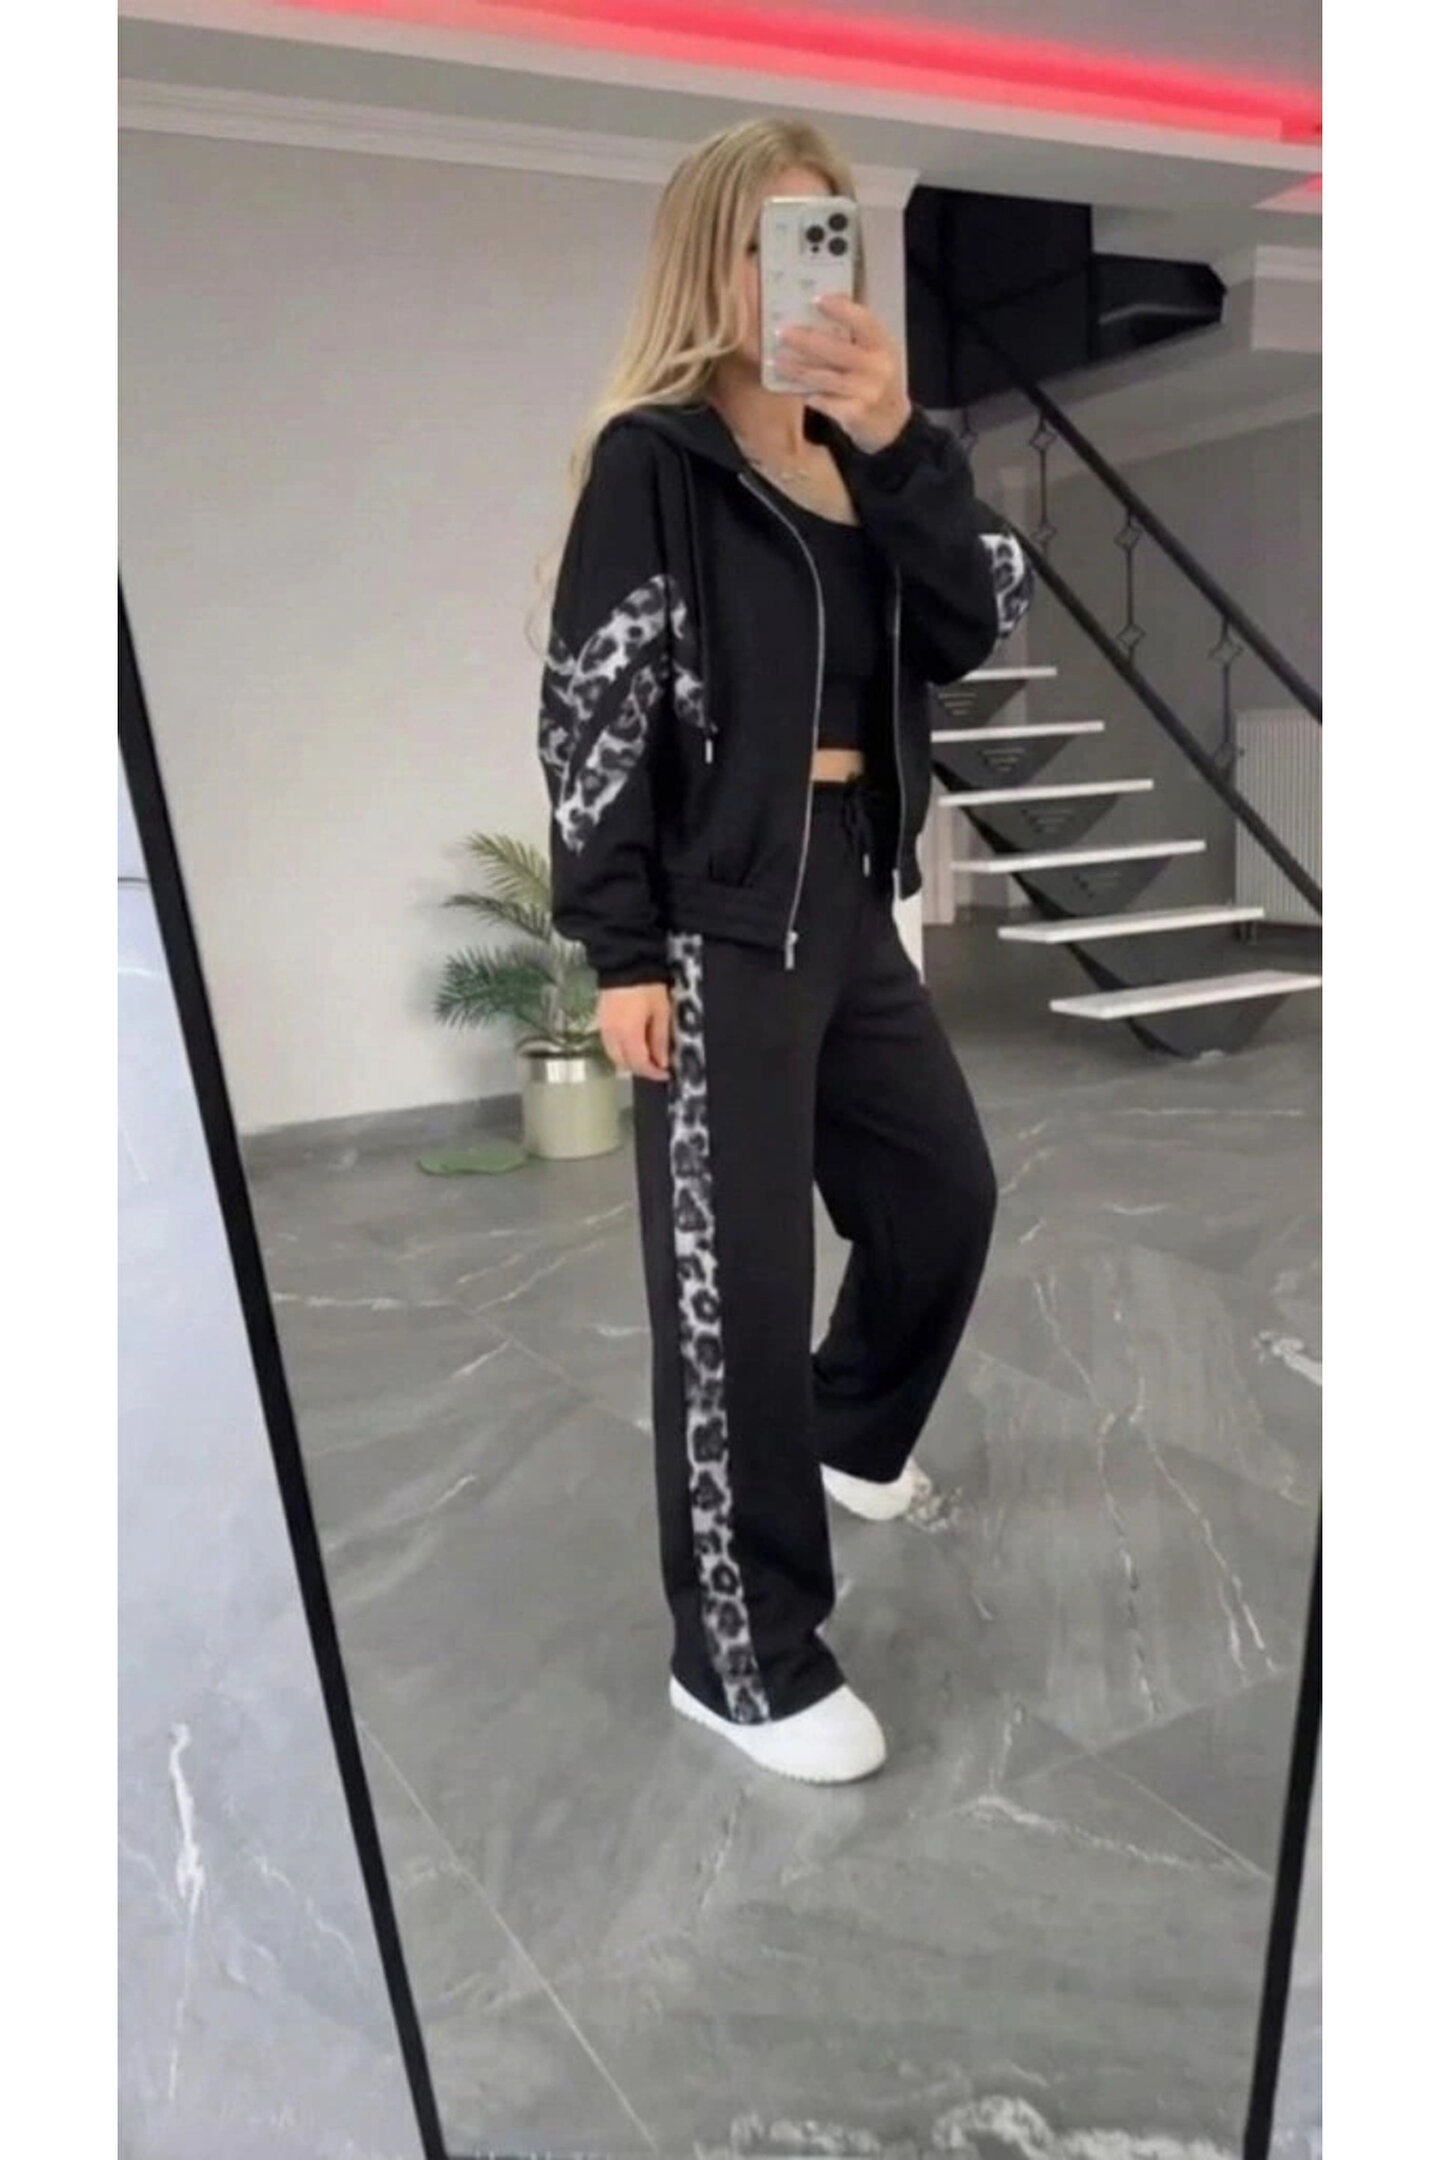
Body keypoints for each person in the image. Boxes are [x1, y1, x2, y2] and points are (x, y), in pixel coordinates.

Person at [536, 117, 1032, 1786]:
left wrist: (899, 443)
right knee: (730, 1295)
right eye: (765, 242)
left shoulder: (864, 458)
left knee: (941, 1195)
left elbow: (967, 625)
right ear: (711, 263)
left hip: (850, 888)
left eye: (823, 240)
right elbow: (592, 714)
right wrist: (618, 948)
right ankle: (738, 1656)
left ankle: (848, 1429)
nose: (795, 274)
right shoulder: (657, 465)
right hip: (712, 919)